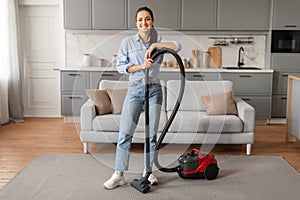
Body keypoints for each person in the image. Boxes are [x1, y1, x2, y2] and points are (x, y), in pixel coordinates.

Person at [103, 6, 182, 190]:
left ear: (152, 21)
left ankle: (148, 172)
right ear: (136, 23)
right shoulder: (127, 42)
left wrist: (156, 45)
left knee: (151, 134)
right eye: (140, 20)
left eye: (147, 19)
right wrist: (141, 66)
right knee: (125, 132)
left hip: (154, 89)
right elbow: (121, 67)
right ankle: (118, 174)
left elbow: (178, 46)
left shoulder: (159, 41)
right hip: (135, 89)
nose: (144, 22)